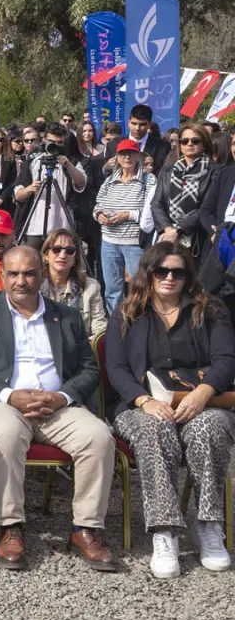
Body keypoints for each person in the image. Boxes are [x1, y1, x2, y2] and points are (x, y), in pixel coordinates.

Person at [0, 246, 119, 572]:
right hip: (1, 403)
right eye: (14, 274)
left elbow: (88, 370)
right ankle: (11, 526)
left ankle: (86, 528)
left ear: (42, 275)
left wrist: (62, 396)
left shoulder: (66, 316)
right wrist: (8, 395)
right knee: (6, 432)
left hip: (56, 405)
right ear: (3, 276)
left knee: (99, 436)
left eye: (29, 273)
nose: (21, 281)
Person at [105, 243, 234, 577]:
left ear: (188, 275)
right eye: (161, 271)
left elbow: (226, 359)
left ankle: (209, 524)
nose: (169, 278)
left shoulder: (210, 309)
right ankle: (165, 531)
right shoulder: (128, 312)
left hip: (201, 400)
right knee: (153, 428)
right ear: (148, 273)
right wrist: (144, 401)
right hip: (141, 403)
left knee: (211, 428)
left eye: (178, 271)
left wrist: (204, 392)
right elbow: (116, 367)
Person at [94, 138, 155, 313]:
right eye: (123, 154)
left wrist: (128, 215)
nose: (127, 157)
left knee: (139, 287)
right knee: (112, 289)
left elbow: (153, 211)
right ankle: (116, 321)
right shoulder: (109, 180)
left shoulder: (148, 180)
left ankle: (140, 318)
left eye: (131, 153)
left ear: (138, 156)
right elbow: (97, 205)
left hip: (134, 243)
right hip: (109, 242)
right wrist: (99, 215)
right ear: (117, 157)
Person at [13, 123, 86, 247]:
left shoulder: (71, 161)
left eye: (59, 143)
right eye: (51, 142)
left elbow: (82, 183)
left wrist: (68, 165)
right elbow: (18, 195)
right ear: (44, 141)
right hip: (34, 228)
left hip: (62, 227)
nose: (55, 146)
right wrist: (30, 189)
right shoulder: (32, 163)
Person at [150, 123, 212, 262]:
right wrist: (168, 229)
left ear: (204, 143)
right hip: (167, 235)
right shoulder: (168, 170)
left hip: (197, 238)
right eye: (184, 141)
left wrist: (179, 230)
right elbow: (156, 203)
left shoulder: (214, 171)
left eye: (195, 140)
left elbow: (206, 207)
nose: (189, 144)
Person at [39, 229, 109, 336]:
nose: (62, 255)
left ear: (75, 259)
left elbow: (99, 328)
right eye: (56, 249)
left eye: (69, 251)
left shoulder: (91, 286)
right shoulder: (34, 287)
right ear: (46, 255)